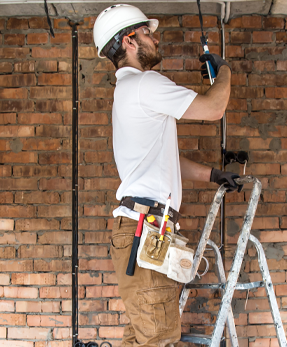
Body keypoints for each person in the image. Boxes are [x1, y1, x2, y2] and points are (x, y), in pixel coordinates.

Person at [93, 4, 242, 347]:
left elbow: (163, 159)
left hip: (144, 229)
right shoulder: (145, 85)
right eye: (147, 33)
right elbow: (214, 108)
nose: (154, 39)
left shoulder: (129, 91)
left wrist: (213, 175)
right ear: (129, 41)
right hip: (145, 228)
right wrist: (225, 73)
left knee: (145, 337)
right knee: (158, 337)